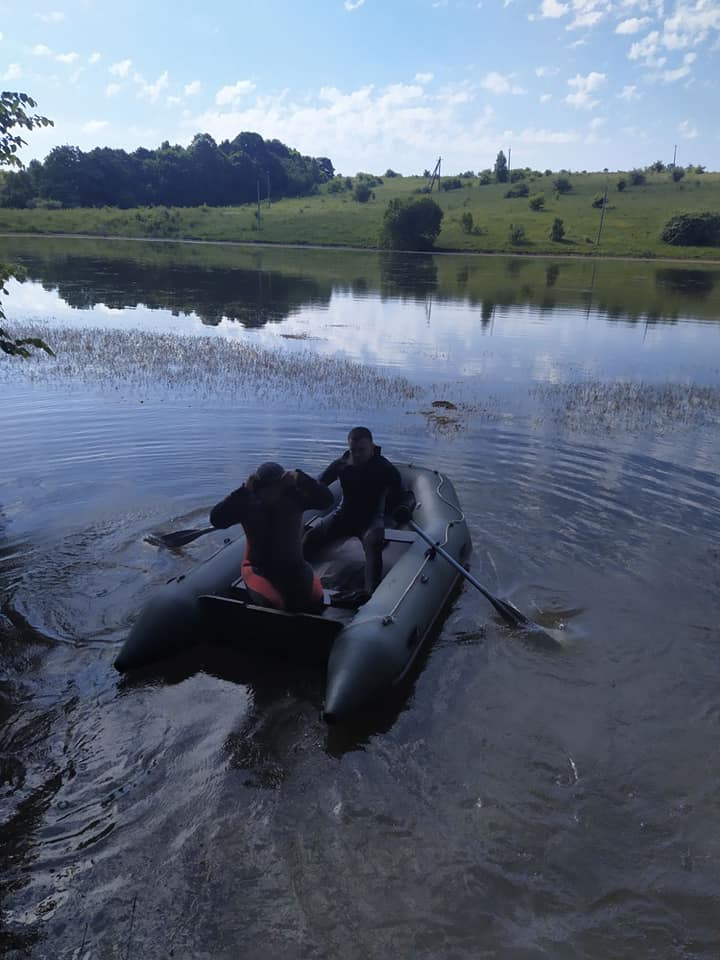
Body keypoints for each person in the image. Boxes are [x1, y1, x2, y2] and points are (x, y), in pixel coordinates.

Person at [210, 461, 334, 613]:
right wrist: (243, 491)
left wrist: (301, 478)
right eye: (266, 488)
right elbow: (216, 519)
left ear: (283, 484)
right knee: (275, 604)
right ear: (258, 486)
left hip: (295, 566)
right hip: (258, 569)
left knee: (317, 598)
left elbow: (327, 500)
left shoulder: (295, 498)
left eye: (276, 486)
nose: (271, 492)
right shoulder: (246, 502)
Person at [303, 427, 413, 599]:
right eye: (353, 450)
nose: (357, 455)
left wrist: (405, 508)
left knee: (373, 543)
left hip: (370, 520)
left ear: (372, 447)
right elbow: (319, 483)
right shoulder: (342, 464)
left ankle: (370, 594)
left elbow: (406, 495)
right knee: (311, 536)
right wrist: (300, 485)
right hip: (343, 516)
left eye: (362, 450)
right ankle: (292, 575)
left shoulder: (384, 468)